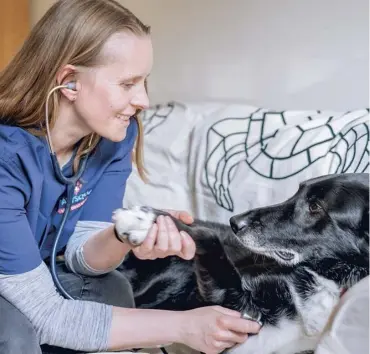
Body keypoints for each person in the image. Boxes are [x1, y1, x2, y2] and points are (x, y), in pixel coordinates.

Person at [0, 1, 260, 353]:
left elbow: (81, 257)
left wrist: (127, 233)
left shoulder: (114, 137)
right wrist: (184, 326)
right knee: (14, 330)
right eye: (127, 84)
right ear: (69, 82)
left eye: (144, 81)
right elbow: (48, 314)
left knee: (111, 289)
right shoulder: (7, 156)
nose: (143, 101)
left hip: (26, 281)